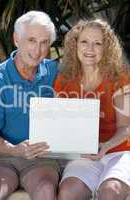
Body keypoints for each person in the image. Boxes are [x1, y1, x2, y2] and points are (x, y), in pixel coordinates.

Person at [54, 19, 130, 200]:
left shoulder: (120, 79)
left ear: (107, 48)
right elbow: (60, 126)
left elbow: (125, 128)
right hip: (83, 154)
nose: (90, 49)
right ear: (75, 45)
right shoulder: (63, 81)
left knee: (110, 192)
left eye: (98, 43)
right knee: (68, 192)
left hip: (118, 151)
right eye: (84, 42)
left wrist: (105, 147)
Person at [0, 11, 60, 200]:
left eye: (44, 42)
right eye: (31, 40)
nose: (38, 49)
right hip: (2, 158)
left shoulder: (54, 72)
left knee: (46, 191)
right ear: (17, 40)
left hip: (42, 159)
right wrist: (14, 149)